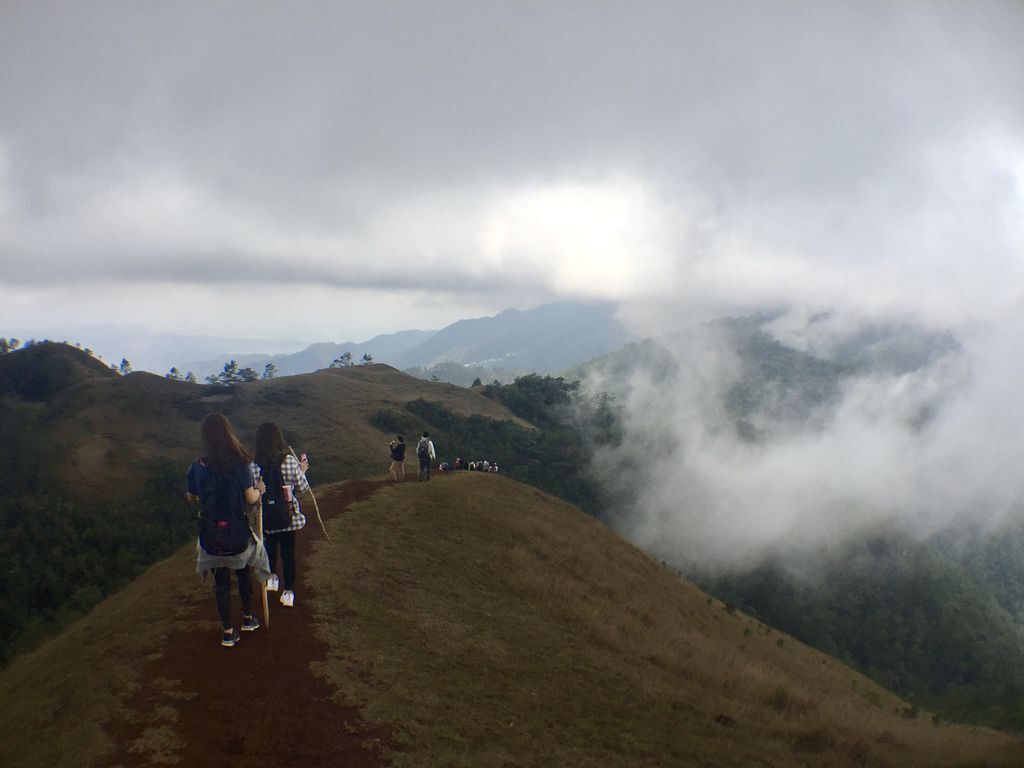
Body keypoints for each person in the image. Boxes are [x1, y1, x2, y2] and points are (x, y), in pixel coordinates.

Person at [187, 413, 270, 648]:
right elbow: (250, 497)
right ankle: (247, 618)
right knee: (243, 573)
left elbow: (191, 496)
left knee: (221, 581)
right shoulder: (240, 463)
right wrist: (260, 489)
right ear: (228, 433)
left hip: (211, 534)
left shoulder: (197, 466)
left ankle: (227, 631)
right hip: (236, 531)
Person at [252, 422, 311, 609]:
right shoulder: (288, 460)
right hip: (287, 515)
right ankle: (289, 592)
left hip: (265, 516)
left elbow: (251, 494)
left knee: (270, 547)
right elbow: (302, 488)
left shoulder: (253, 464)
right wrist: (301, 472)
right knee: (288, 553)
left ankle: (272, 578)